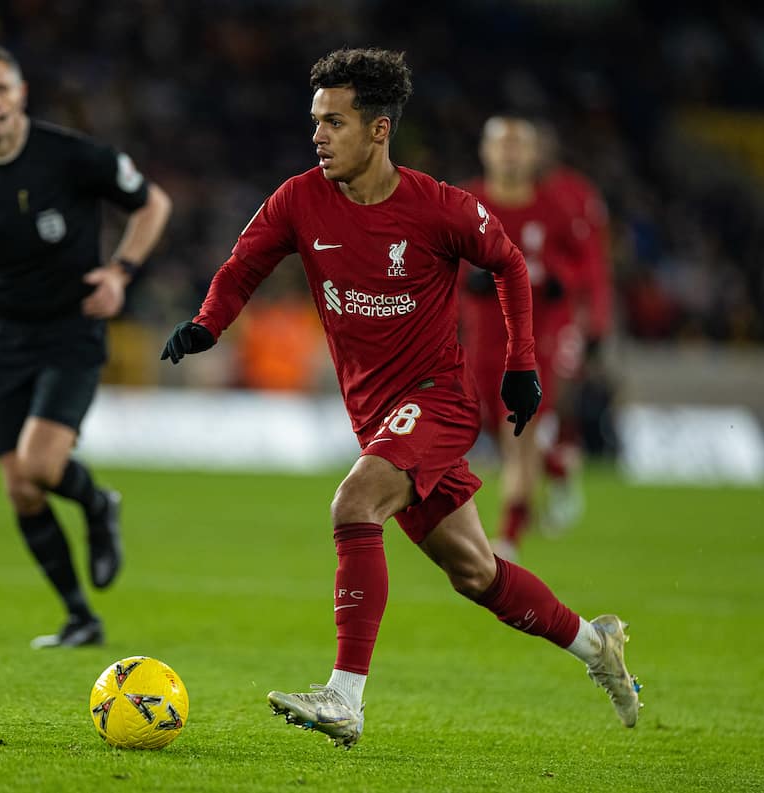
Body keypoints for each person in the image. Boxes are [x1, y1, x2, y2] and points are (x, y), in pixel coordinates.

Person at [161, 49, 639, 749]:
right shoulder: (299, 200)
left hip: (437, 403)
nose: (318, 135)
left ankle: (345, 697)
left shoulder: (437, 206)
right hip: (376, 416)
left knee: (354, 504)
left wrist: (520, 365)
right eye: (316, 120)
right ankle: (596, 645)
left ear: (379, 130)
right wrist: (207, 323)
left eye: (335, 121)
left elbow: (507, 261)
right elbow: (242, 267)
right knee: (476, 573)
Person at [0, 44, 172, 648]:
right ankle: (81, 617)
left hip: (69, 329)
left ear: (21, 94)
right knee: (21, 487)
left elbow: (153, 203)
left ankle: (98, 503)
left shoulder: (71, 155)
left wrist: (120, 272)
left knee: (42, 464)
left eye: (1, 88)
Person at [458, 116, 593, 559]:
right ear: (486, 151)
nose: (510, 154)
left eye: (519, 146)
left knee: (519, 431)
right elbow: (437, 256)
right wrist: (465, 278)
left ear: (535, 155)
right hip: (482, 339)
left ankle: (508, 537)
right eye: (503, 145)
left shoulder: (556, 207)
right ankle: (557, 467)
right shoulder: (465, 202)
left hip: (535, 341)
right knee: (500, 431)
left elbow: (583, 264)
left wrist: (562, 280)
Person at [534, 121, 615, 532]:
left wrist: (596, 325)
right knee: (507, 410)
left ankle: (560, 484)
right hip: (508, 317)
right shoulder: (501, 195)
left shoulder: (575, 195)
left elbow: (594, 264)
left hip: (562, 316)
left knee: (552, 401)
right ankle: (555, 475)